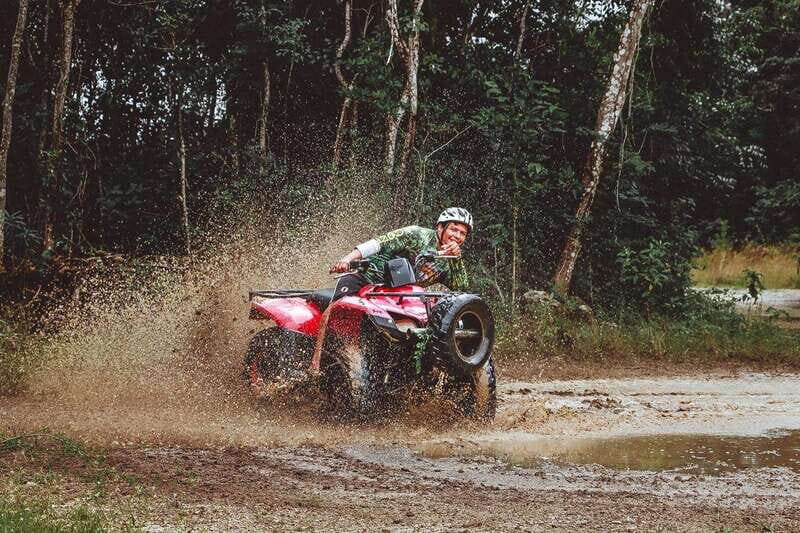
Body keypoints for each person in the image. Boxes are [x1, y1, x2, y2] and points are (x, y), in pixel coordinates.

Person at [310, 207, 474, 373]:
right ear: (440, 227)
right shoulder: (416, 234)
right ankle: (316, 365)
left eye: (463, 233)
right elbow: (376, 244)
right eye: (454, 229)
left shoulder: (451, 261)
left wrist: (456, 260)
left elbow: (462, 294)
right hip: (365, 280)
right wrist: (345, 260)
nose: (457, 236)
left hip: (398, 298)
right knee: (334, 308)